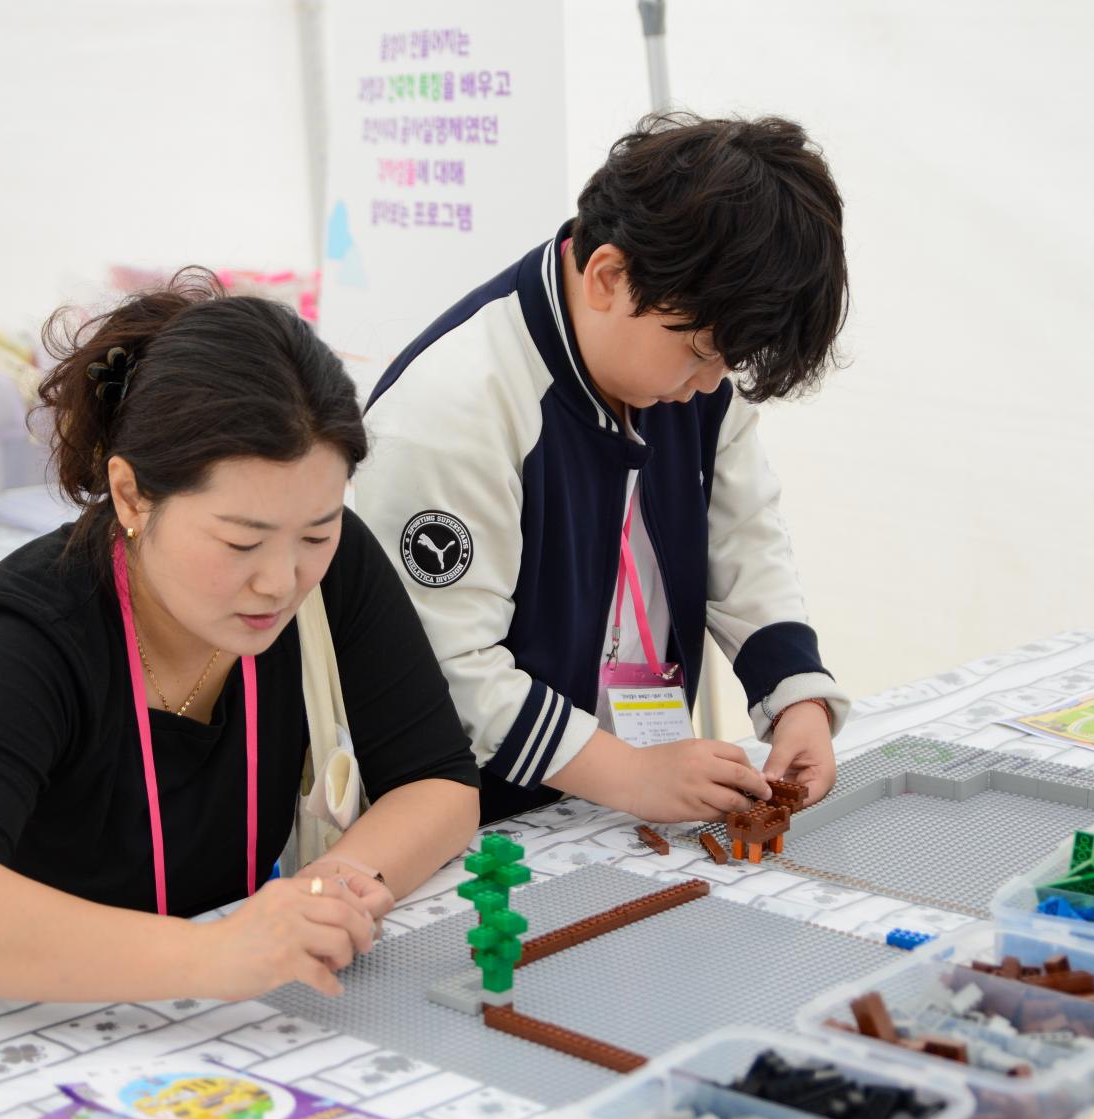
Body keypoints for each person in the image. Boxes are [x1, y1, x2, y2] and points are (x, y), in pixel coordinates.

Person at [0, 273, 481, 1036]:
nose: (280, 580)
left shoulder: (328, 569)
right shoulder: (34, 628)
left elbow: (437, 781)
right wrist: (215, 952)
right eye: (239, 541)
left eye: (317, 533)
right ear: (131, 496)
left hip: (160, 999)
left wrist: (330, 892)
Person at [353, 113, 852, 826]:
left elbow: (745, 537)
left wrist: (796, 697)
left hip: (628, 802)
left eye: (728, 362)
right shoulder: (454, 408)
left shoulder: (684, 361)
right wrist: (626, 771)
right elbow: (445, 666)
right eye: (703, 353)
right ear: (608, 277)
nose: (712, 385)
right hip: (475, 824)